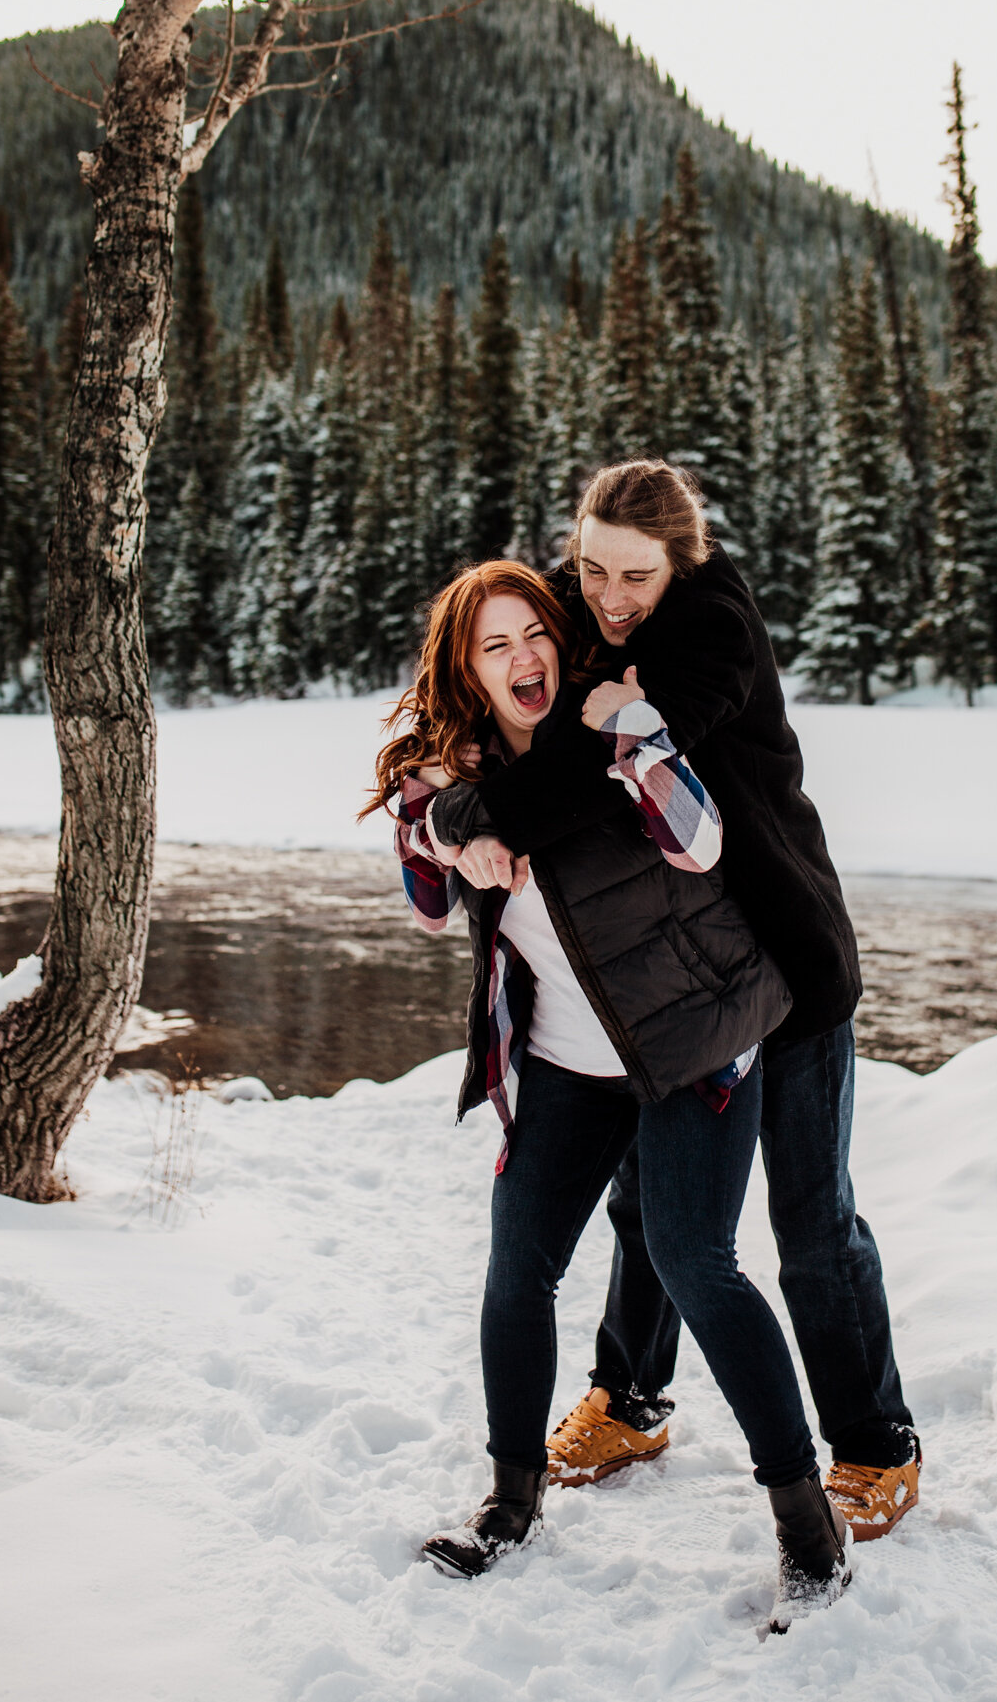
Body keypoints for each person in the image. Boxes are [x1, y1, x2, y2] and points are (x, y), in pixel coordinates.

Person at [428, 463, 920, 1544]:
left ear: (681, 560)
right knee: (647, 1206)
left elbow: (601, 766)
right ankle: (631, 1400)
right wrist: (457, 792)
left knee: (809, 1223)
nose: (606, 595)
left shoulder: (710, 631)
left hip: (785, 970)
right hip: (670, 980)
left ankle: (874, 1446)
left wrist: (483, 809)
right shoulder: (587, 601)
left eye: (633, 576)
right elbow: (522, 677)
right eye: (590, 567)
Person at [364, 558, 850, 1630]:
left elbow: (701, 839)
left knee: (696, 1260)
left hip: (692, 1042)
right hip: (567, 1064)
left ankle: (809, 1531)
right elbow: (429, 904)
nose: (521, 657)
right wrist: (447, 827)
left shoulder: (613, 727)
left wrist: (636, 740)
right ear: (465, 666)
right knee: (518, 1264)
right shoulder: (451, 768)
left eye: (532, 632)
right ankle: (509, 1500)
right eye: (492, 646)